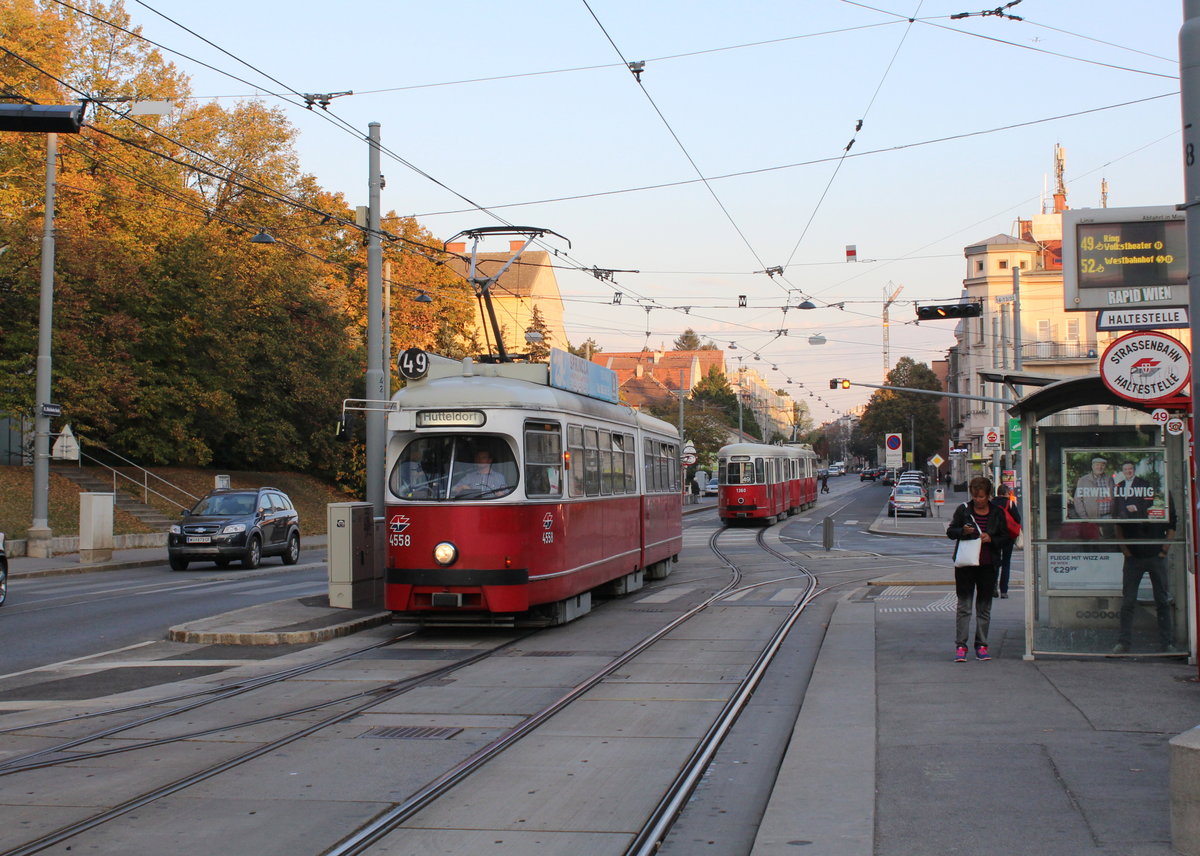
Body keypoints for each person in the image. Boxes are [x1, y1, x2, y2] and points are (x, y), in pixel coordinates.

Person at [947, 476, 1010, 662]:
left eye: (981, 497)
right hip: (966, 565)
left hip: (988, 565)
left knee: (984, 608)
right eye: (975, 497)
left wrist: (992, 539)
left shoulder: (997, 512)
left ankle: (982, 645)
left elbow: (1006, 537)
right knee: (964, 607)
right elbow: (951, 532)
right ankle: (961, 646)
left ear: (988, 495)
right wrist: (962, 532)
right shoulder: (963, 510)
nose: (978, 500)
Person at [1112, 494, 1178, 655]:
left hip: (1155, 556)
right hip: (1134, 557)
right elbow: (1118, 525)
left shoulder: (1162, 493)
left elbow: (1172, 524)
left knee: (1162, 600)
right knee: (1128, 601)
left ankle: (1166, 644)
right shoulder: (1126, 494)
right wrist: (1126, 551)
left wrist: (1164, 550)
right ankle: (1124, 643)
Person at [991, 484, 1019, 599]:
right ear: (1007, 493)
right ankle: (1004, 591)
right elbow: (1018, 518)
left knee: (995, 563)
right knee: (1006, 563)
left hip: (994, 537)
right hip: (1008, 537)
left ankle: (993, 588)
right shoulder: (1010, 503)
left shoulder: (991, 504)